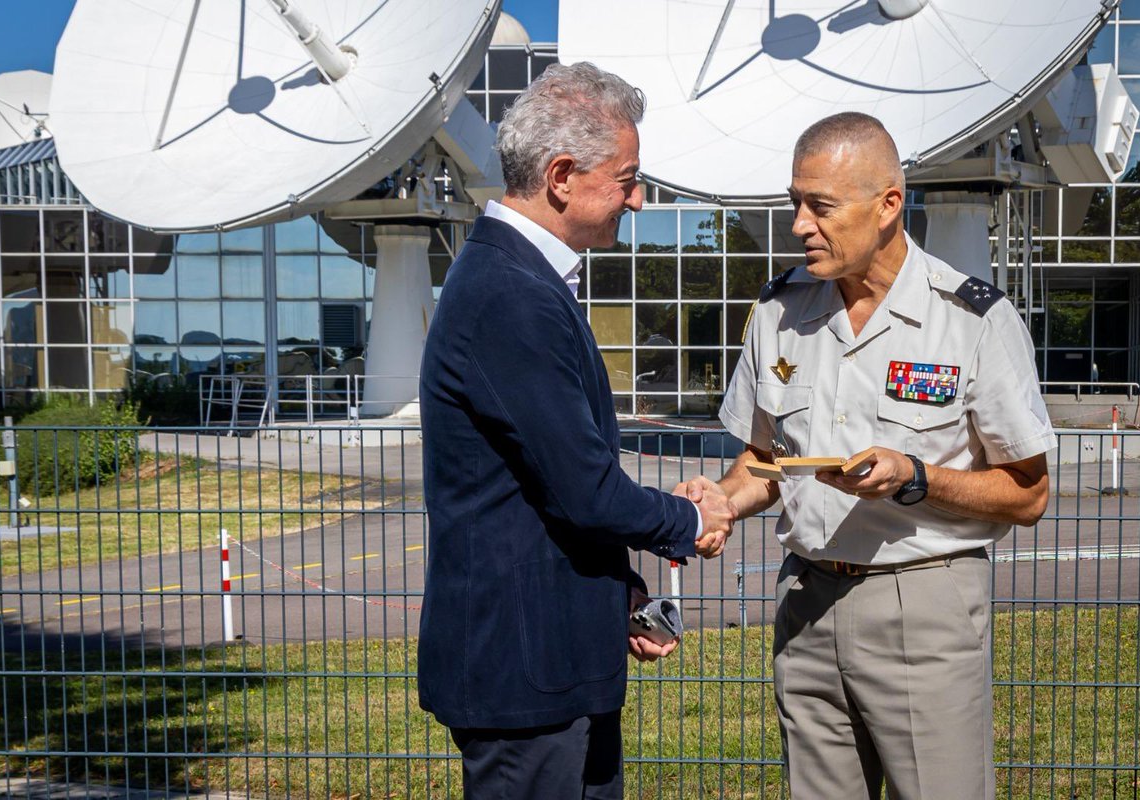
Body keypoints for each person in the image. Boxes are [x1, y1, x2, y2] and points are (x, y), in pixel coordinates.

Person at [681, 112, 1056, 799]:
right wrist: (722, 501)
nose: (799, 224)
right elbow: (762, 461)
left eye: (820, 206)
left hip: (924, 602)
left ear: (888, 205)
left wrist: (917, 478)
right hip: (806, 602)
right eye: (795, 202)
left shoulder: (970, 320)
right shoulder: (779, 313)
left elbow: (1028, 494)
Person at [416, 62, 736, 799]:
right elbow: (586, 490)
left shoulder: (521, 280)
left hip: (554, 656)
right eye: (627, 177)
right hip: (524, 672)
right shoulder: (510, 295)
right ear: (563, 174)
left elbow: (540, 491)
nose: (639, 196)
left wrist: (616, 592)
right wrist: (687, 517)